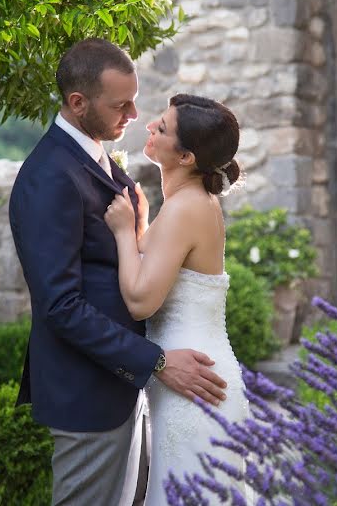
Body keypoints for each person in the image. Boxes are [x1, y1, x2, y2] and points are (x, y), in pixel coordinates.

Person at [9, 39, 228, 506]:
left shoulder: (97, 159)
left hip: (121, 386)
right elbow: (60, 307)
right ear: (77, 103)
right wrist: (158, 362)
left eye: (135, 98)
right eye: (121, 104)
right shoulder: (48, 177)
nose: (134, 113)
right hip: (88, 396)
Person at [104, 93, 250, 504]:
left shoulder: (187, 207)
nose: (149, 127)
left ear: (186, 157)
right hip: (191, 378)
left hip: (196, 385)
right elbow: (159, 264)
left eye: (162, 128)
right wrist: (142, 224)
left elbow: (140, 301)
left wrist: (121, 232)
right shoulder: (188, 203)